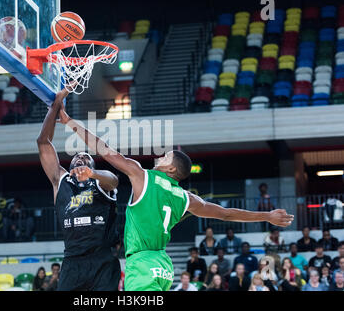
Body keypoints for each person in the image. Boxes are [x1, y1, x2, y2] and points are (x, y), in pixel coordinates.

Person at [56, 94, 294, 291]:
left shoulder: (142, 175)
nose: (160, 155)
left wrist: (69, 122)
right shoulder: (187, 198)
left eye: (166, 155)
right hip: (163, 265)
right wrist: (266, 216)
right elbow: (225, 214)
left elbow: (104, 150)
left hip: (143, 262)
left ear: (171, 168)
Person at [36, 87, 121, 291]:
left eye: (86, 158)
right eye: (77, 157)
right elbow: (43, 142)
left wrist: (93, 174)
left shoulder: (99, 182)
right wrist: (56, 104)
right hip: (73, 261)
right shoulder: (61, 181)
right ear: (70, 164)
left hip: (102, 259)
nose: (81, 158)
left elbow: (114, 180)